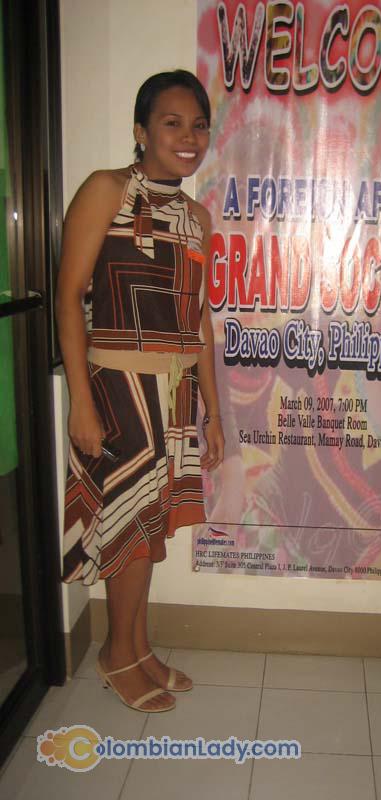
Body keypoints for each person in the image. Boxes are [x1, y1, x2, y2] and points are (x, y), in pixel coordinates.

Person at [56, 70, 224, 713]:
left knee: (148, 530)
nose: (189, 137)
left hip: (174, 397)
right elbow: (69, 298)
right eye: (172, 123)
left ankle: (139, 646)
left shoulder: (197, 217)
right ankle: (115, 655)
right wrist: (81, 401)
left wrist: (212, 414)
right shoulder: (106, 190)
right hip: (118, 388)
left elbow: (199, 322)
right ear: (141, 130)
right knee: (126, 528)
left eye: (199, 125)